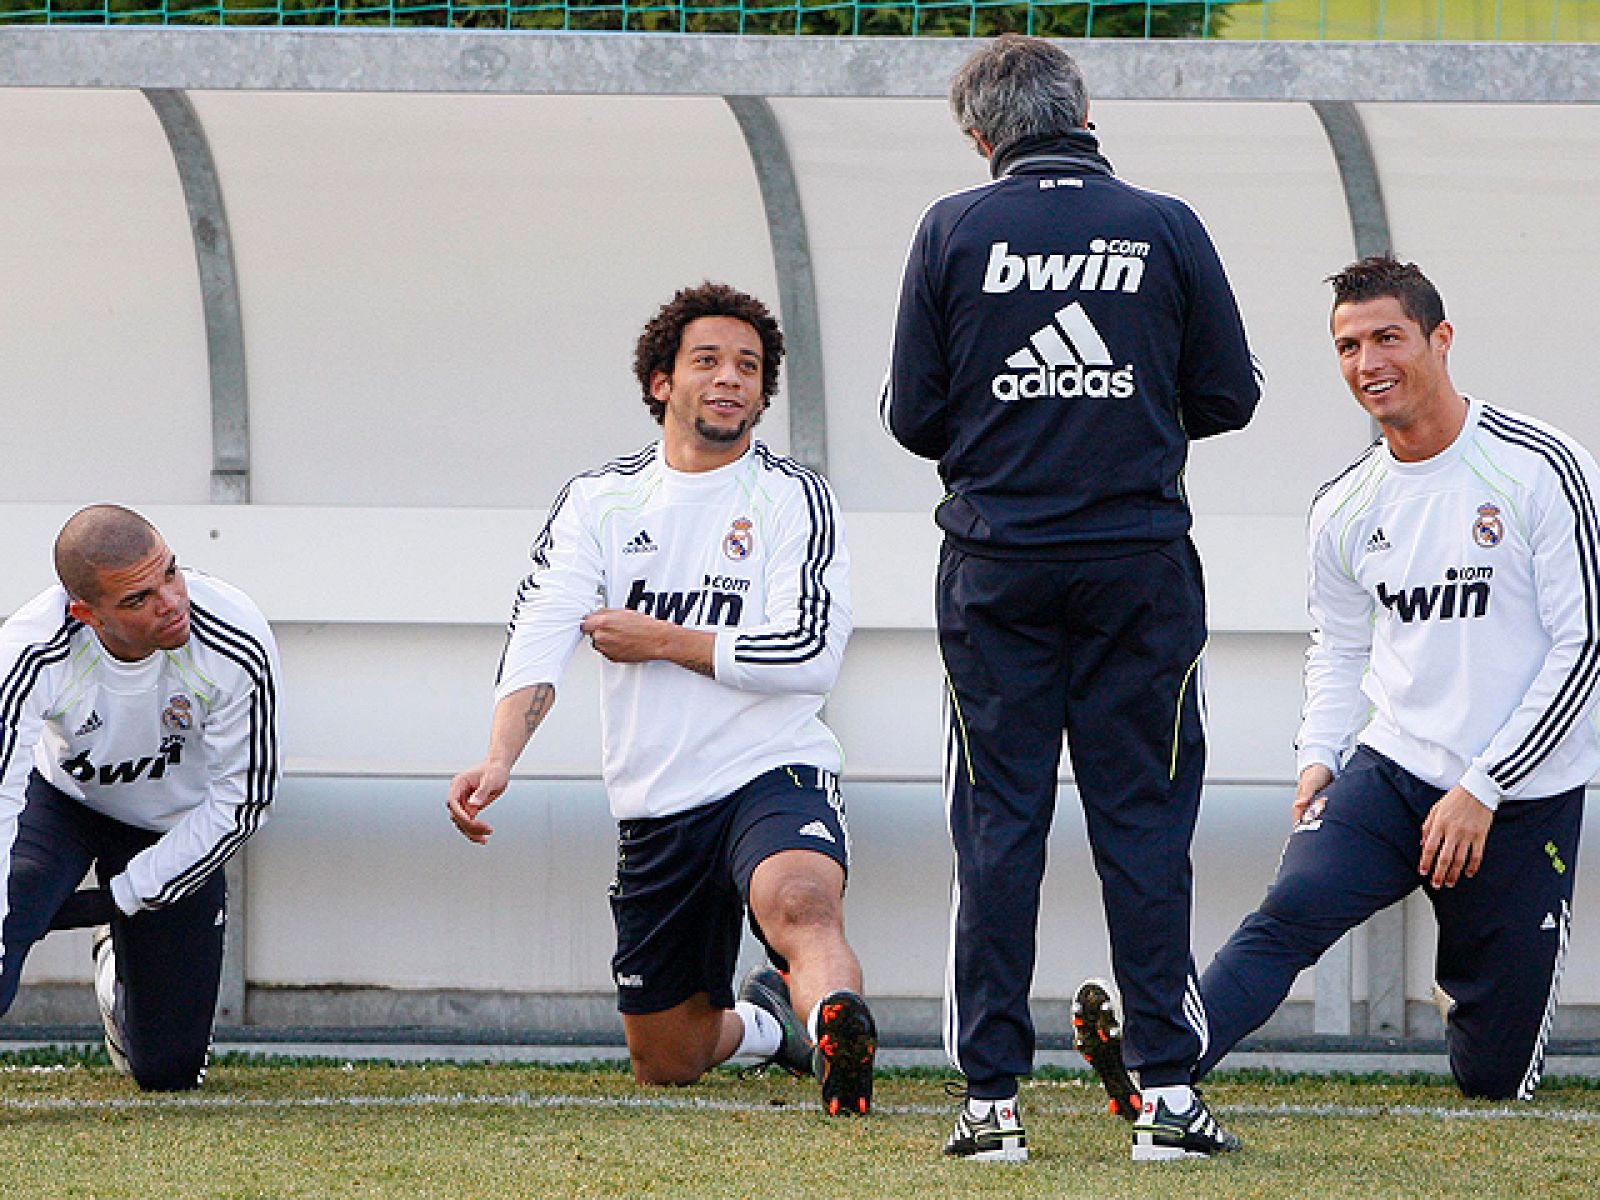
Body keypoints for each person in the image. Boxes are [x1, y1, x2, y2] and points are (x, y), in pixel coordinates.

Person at [1077, 255, 1598, 1117]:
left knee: (1495, 1080)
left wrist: (1483, 787)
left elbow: (1581, 650)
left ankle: (1468, 995)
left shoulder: (1542, 468)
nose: (1369, 364)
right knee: (1288, 916)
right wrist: (1319, 757)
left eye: (1388, 338)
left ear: (1440, 339)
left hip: (1518, 797)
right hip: (1392, 771)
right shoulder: (1346, 505)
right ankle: (1155, 1064)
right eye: (1348, 346)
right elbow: (1339, 647)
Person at [882, 34, 1260, 1162]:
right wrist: (1117, 415)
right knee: (1143, 824)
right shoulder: (1165, 224)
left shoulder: (951, 228)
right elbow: (1229, 394)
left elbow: (912, 418)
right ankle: (1167, 1101)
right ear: (1083, 115)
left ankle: (990, 1107)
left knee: (999, 826)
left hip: (995, 569)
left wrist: (1019, 433)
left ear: (981, 134)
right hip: (1138, 568)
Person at [447, 282, 877, 1115]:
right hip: (657, 796)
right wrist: (500, 756)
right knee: (667, 1058)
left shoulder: (794, 498)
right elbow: (541, 628)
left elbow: (811, 656)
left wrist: (662, 640)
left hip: (772, 767)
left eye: (749, 367)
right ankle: (766, 1026)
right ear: (660, 382)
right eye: (708, 361)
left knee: (800, 902)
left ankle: (837, 1041)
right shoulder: (599, 501)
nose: (731, 380)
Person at [0, 505, 281, 1091]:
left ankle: (116, 964)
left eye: (171, 573)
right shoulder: (32, 645)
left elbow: (243, 801)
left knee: (167, 1071)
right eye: (137, 599)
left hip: (175, 825)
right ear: (86, 613)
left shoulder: (233, 635)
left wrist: (124, 896)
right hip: (62, 805)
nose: (171, 602)